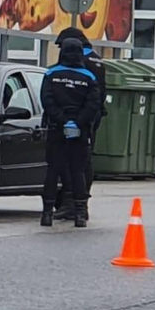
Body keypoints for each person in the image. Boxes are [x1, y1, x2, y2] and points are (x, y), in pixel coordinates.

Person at [40, 37, 101, 228]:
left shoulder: (51, 74)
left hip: (56, 129)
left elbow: (47, 101)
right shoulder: (89, 77)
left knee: (53, 170)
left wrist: (62, 120)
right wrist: (77, 123)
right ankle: (80, 214)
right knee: (78, 171)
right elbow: (93, 104)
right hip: (80, 132)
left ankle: (47, 213)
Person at [52, 27, 106, 220]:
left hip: (74, 119)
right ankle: (80, 204)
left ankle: (71, 204)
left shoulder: (78, 59)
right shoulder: (96, 59)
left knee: (70, 162)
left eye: (61, 46)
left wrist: (69, 119)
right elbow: (99, 94)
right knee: (84, 161)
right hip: (91, 117)